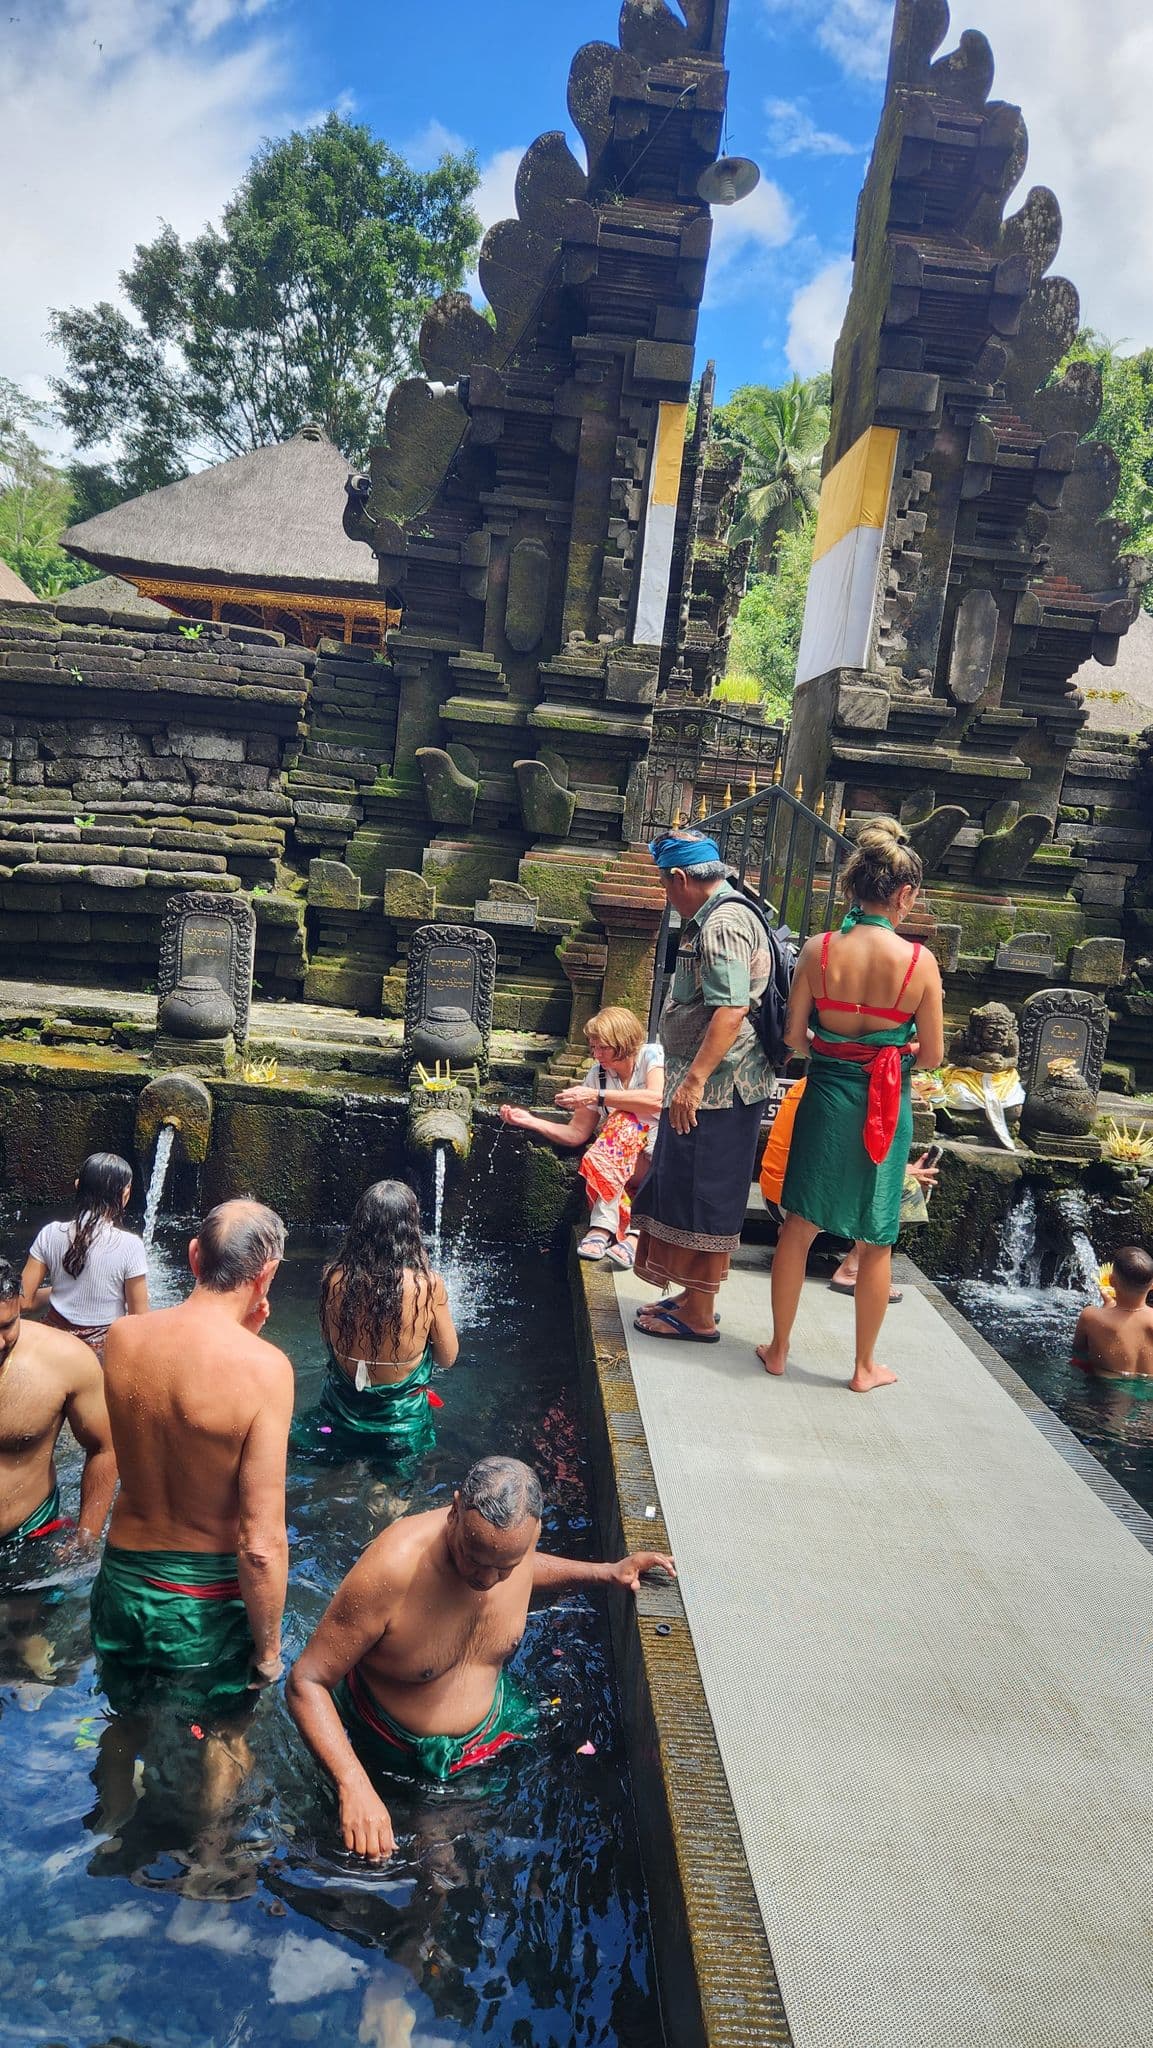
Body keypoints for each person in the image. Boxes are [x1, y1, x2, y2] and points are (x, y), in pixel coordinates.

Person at [287, 1454, 675, 1860]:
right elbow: (306, 1682)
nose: (486, 1580)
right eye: (472, 1557)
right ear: (454, 1511)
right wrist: (354, 1785)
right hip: (388, 1753)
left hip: (494, 1736)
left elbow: (525, 1565)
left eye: (504, 1567)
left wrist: (605, 1572)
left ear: (533, 1535)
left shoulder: (511, 1550)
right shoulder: (392, 1570)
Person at [756, 818, 944, 1392]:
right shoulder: (919, 964)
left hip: (826, 1097)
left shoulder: (819, 950)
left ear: (852, 886)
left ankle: (780, 1348)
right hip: (885, 1106)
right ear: (903, 893)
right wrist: (894, 1048)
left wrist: (833, 1046)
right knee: (876, 1234)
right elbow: (932, 1056)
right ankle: (864, 1367)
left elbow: (793, 1040)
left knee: (799, 1226)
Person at [91, 1199, 293, 1717]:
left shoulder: (123, 1337)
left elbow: (169, 1419)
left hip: (120, 1585)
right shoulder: (266, 1370)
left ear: (194, 1257)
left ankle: (113, 1801)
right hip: (199, 1606)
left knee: (121, 1725)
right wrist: (269, 1654)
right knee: (219, 1742)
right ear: (265, 1274)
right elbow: (260, 1546)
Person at [631, 833, 776, 1341]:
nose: (668, 898)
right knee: (686, 1188)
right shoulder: (719, 916)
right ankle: (694, 1294)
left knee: (704, 1195)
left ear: (678, 879)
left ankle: (698, 1314)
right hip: (708, 1087)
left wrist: (692, 1082)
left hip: (717, 1089)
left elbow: (732, 1007)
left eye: (666, 887)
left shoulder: (723, 923)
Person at [499, 1007, 664, 1269]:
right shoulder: (597, 1074)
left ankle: (636, 1235)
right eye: (593, 1048)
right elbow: (577, 1133)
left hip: (661, 1160)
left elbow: (657, 1099)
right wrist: (530, 1121)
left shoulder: (651, 1056)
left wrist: (597, 1097)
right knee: (615, 1131)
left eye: (603, 1048)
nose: (597, 1055)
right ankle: (603, 1228)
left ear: (623, 1043)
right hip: (625, 1164)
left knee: (623, 1121)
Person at [314, 1179, 458, 1457]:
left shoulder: (334, 1278)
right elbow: (447, 1358)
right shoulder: (427, 1286)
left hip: (341, 1413)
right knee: (396, 1492)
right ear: (411, 1229)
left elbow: (328, 1339)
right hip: (400, 1425)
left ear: (360, 1227)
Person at [0, 1255, 117, 1556]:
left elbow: (105, 1447)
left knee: (30, 1605)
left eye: (7, 1326)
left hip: (28, 1535)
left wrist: (86, 1535)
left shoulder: (65, 1360)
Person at [21, 1152, 148, 1362]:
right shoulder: (131, 1245)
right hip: (99, 1352)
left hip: (52, 1340)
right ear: (125, 1195)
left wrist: (65, 1291)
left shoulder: (50, 1233)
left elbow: (23, 1303)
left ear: (78, 1185)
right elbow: (140, 1320)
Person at [1072, 1245, 1153, 1379]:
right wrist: (1110, 1305)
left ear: (1111, 1281)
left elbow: (1078, 1351)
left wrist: (1108, 1308)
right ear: (1152, 1285)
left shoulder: (1090, 1316)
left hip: (1109, 1388)